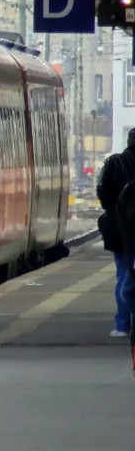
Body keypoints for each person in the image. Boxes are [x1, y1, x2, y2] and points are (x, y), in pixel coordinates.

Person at [97, 129, 135, 338]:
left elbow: (102, 190)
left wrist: (114, 211)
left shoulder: (114, 163)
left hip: (121, 229)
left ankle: (122, 325)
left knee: (123, 274)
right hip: (124, 228)